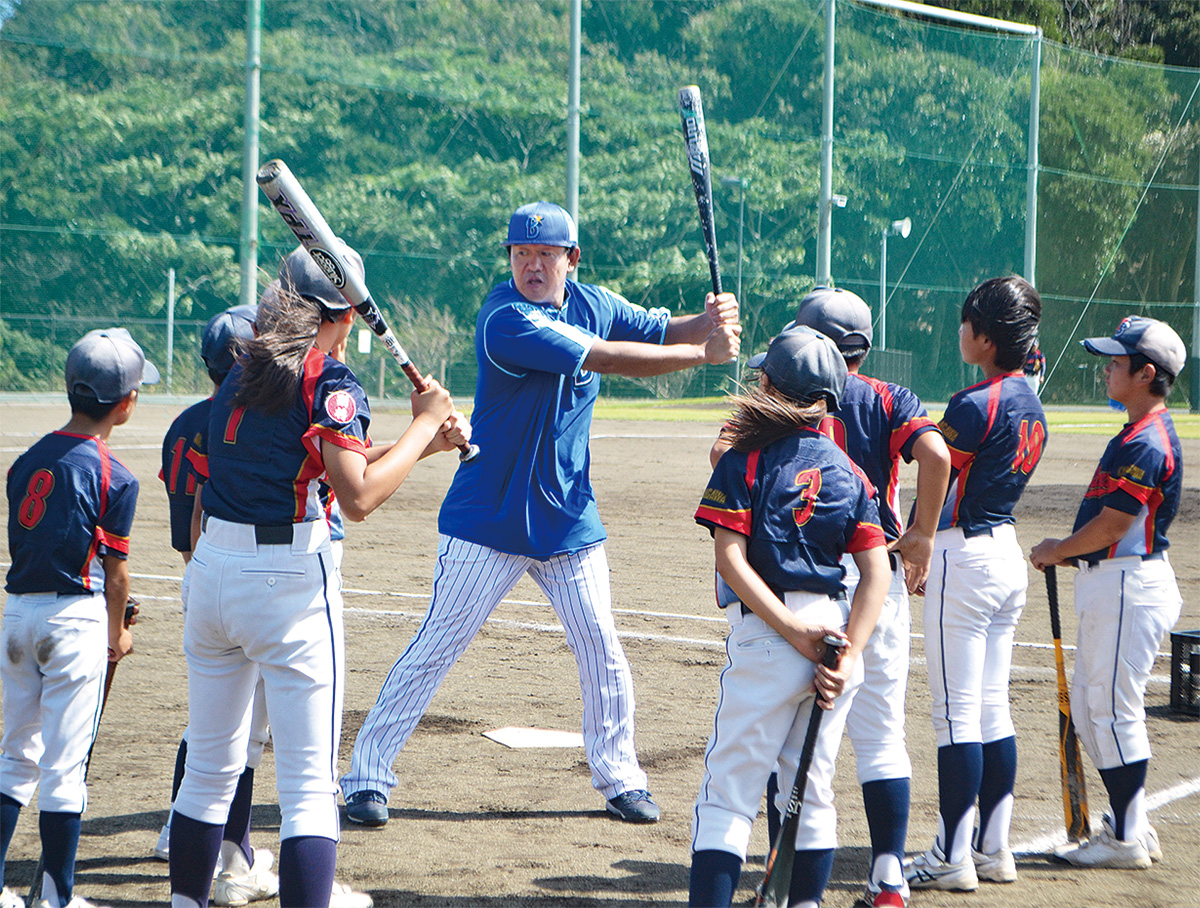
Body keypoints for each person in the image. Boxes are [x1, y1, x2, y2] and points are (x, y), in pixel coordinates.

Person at [340, 200, 741, 827]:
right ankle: (366, 776)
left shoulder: (595, 302)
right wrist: (704, 354)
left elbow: (662, 330)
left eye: (545, 254)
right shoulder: (505, 318)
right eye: (521, 254)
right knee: (436, 647)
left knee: (601, 647)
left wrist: (706, 322)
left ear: (570, 260)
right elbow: (604, 357)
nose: (531, 265)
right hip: (487, 519)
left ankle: (620, 778)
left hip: (567, 520)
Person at [168, 273, 469, 908]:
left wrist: (424, 445)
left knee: (207, 775)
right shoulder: (328, 379)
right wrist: (424, 423)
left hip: (214, 570)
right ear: (347, 315)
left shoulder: (247, 366)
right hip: (287, 579)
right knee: (308, 787)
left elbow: (322, 464)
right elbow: (355, 497)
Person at [689, 326, 890, 908]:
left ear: (773, 388)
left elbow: (731, 560)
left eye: (763, 378)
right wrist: (847, 651)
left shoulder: (745, 462)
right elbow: (875, 574)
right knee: (813, 793)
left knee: (728, 793)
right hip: (834, 632)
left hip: (774, 632)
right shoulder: (851, 473)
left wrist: (790, 630)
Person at [792, 288, 950, 908]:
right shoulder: (888, 396)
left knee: (812, 739)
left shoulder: (792, 397)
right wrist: (923, 536)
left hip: (817, 581)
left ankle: (797, 885)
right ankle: (888, 878)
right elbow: (935, 453)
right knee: (883, 733)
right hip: (879, 573)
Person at [2, 328, 158, 908]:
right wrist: (117, 630)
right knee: (65, 769)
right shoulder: (115, 474)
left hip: (18, 615)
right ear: (126, 403)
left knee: (16, 757)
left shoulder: (25, 460)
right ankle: (56, 898)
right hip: (74, 622)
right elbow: (114, 571)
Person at [905, 276, 1047, 893]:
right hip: (1006, 553)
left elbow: (935, 468)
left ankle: (951, 855)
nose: (960, 333)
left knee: (955, 717)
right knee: (992, 710)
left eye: (967, 325)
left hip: (963, 557)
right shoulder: (1032, 400)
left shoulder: (975, 402)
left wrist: (918, 538)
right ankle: (993, 848)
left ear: (984, 338)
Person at [1030, 316, 1185, 870]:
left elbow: (1114, 525)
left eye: (1116, 363)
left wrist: (1059, 548)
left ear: (1147, 374)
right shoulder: (1134, 432)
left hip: (1128, 584)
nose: (1106, 371)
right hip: (1115, 586)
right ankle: (1131, 827)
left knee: (1112, 713)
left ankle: (1123, 839)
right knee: (1098, 711)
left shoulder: (1147, 441)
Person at [154, 303, 282, 906]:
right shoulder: (257, 419)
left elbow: (186, 523)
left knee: (207, 725)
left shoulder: (182, 423)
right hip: (250, 573)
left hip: (197, 571)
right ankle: (235, 852)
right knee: (242, 734)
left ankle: (176, 829)